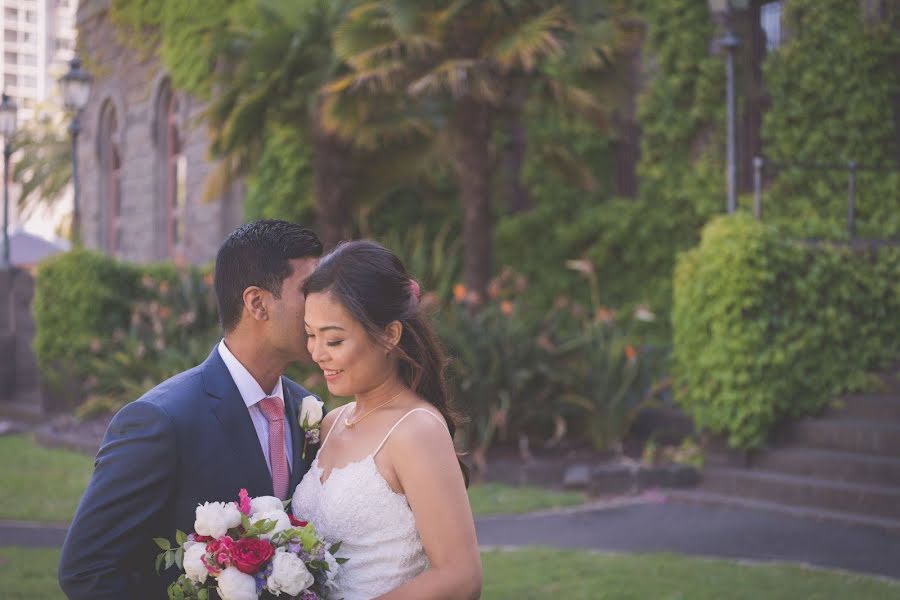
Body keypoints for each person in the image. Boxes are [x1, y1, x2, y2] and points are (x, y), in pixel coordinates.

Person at [59, 220, 325, 600]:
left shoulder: (308, 410)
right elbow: (86, 570)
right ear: (257, 303)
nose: (326, 305)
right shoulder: (160, 421)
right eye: (309, 291)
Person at [292, 240, 482, 599]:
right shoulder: (331, 424)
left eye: (333, 340)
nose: (317, 353)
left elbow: (461, 577)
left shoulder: (415, 430)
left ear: (389, 335)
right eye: (310, 335)